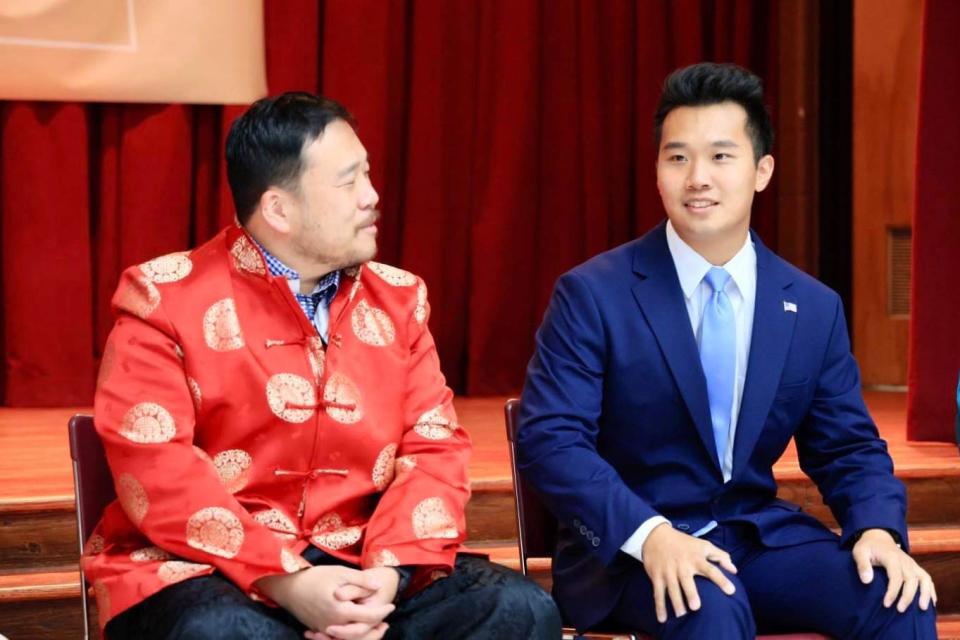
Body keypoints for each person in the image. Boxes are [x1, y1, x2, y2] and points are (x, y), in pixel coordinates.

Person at [86, 92, 560, 640]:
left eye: (369, 174)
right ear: (278, 209)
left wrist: (389, 574)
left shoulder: (399, 299)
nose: (372, 196)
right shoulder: (163, 298)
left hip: (364, 557)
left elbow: (435, 448)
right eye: (349, 181)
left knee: (520, 612)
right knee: (221, 633)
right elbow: (157, 469)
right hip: (205, 569)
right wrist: (286, 580)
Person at [516, 63, 937, 639]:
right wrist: (652, 536)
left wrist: (877, 530)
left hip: (755, 537)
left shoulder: (811, 306)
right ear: (658, 172)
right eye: (678, 157)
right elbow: (551, 441)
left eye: (720, 156)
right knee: (709, 605)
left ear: (761, 171)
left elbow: (848, 446)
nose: (698, 179)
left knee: (897, 596)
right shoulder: (593, 294)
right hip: (636, 548)